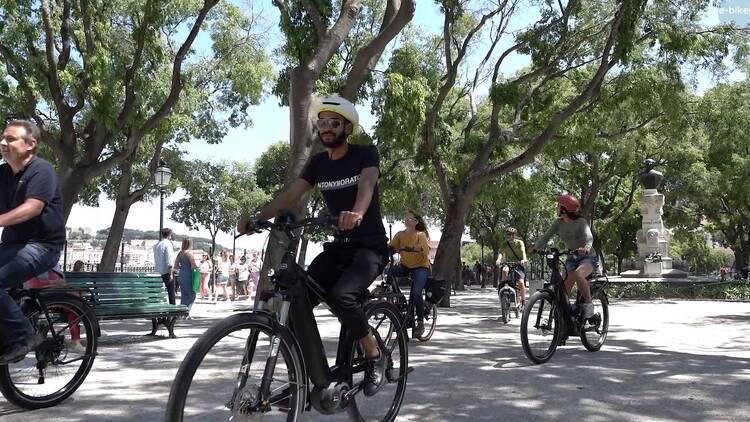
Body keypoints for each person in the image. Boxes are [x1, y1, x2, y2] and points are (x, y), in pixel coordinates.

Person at [237, 95, 388, 396]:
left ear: (348, 128)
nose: (327, 128)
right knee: (297, 298)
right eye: (322, 123)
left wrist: (357, 214)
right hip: (339, 247)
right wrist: (257, 217)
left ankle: (373, 353)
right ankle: (308, 376)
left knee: (342, 296)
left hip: (369, 247)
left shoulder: (364, 154)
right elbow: (291, 194)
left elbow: (367, 185)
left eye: (334, 123)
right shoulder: (318, 163)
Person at [0, 120, 66, 364]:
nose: (3, 143)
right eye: (2, 139)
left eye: (10, 138)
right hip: (12, 246)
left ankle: (23, 336)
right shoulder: (3, 174)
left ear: (30, 144)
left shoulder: (42, 171)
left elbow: (32, 208)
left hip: (42, 246)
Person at [533, 194, 598, 319]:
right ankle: (564, 323)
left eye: (559, 205)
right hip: (571, 258)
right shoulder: (558, 223)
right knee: (564, 292)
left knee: (578, 275)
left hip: (587, 257)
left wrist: (586, 248)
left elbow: (589, 237)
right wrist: (535, 248)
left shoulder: (581, 222)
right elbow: (546, 236)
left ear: (565, 209)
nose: (556, 207)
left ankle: (589, 305)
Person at [388, 210, 431, 337]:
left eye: (409, 219)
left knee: (417, 292)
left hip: (421, 267)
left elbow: (426, 251)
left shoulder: (420, 235)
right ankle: (401, 301)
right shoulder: (400, 235)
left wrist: (418, 248)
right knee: (391, 272)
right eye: (405, 218)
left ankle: (420, 322)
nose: (406, 220)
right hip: (405, 266)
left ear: (415, 222)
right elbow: (392, 246)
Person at [495, 227, 528, 306]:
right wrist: (498, 260)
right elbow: (501, 253)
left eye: (512, 234)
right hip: (508, 264)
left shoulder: (520, 243)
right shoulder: (504, 244)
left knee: (521, 283)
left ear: (515, 235)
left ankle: (523, 301)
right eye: (508, 234)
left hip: (518, 264)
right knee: (504, 270)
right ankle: (504, 287)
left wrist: (524, 259)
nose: (510, 236)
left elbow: (523, 252)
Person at [174, 237, 197, 313]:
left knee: (183, 296)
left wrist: (183, 267)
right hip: (188, 275)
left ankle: (181, 312)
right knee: (192, 295)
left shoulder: (180, 253)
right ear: (190, 244)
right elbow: (193, 266)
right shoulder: (189, 253)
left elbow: (176, 266)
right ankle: (186, 313)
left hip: (181, 275)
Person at [153, 227, 176, 304]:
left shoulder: (157, 245)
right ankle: (172, 312)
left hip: (157, 271)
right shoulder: (168, 244)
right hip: (166, 272)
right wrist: (171, 274)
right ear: (169, 235)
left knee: (158, 293)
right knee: (171, 293)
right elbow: (169, 261)